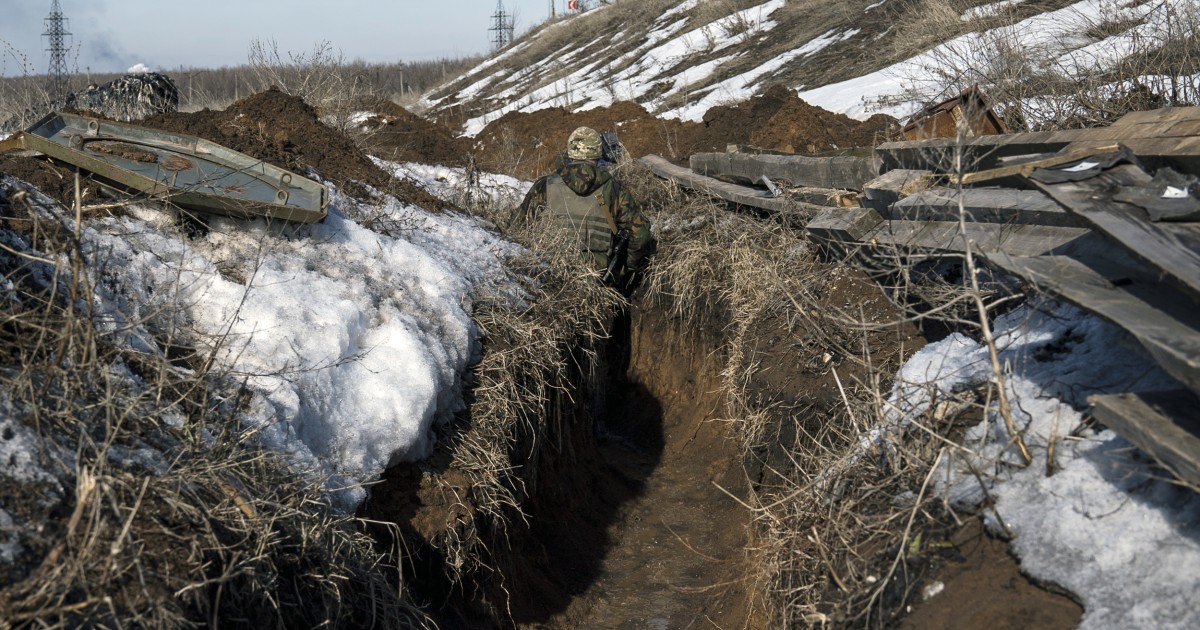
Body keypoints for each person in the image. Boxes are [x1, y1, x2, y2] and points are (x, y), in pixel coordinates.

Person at [511, 126, 654, 289]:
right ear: (598, 152)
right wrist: (626, 271)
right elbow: (641, 235)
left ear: (571, 151)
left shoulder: (544, 184)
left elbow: (517, 225)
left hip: (548, 273)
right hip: (597, 277)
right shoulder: (614, 189)